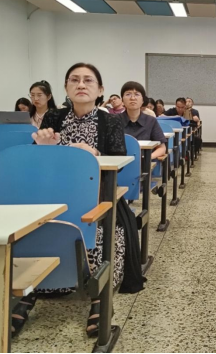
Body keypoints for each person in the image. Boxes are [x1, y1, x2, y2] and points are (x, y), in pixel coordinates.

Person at [14, 63, 144, 339]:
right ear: (66, 88)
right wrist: (44, 148)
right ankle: (29, 291)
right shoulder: (54, 116)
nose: (81, 85)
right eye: (74, 80)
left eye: (88, 80)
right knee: (38, 231)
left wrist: (93, 154)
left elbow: (117, 163)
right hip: (54, 196)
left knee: (108, 231)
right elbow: (38, 164)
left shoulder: (110, 121)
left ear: (100, 89)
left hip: (97, 195)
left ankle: (100, 297)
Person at [120, 82, 166, 159]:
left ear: (142, 100)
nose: (133, 98)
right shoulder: (114, 121)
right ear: (122, 100)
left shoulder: (151, 121)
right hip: (120, 163)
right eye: (128, 94)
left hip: (145, 163)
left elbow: (162, 148)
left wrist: (146, 159)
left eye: (137, 94)